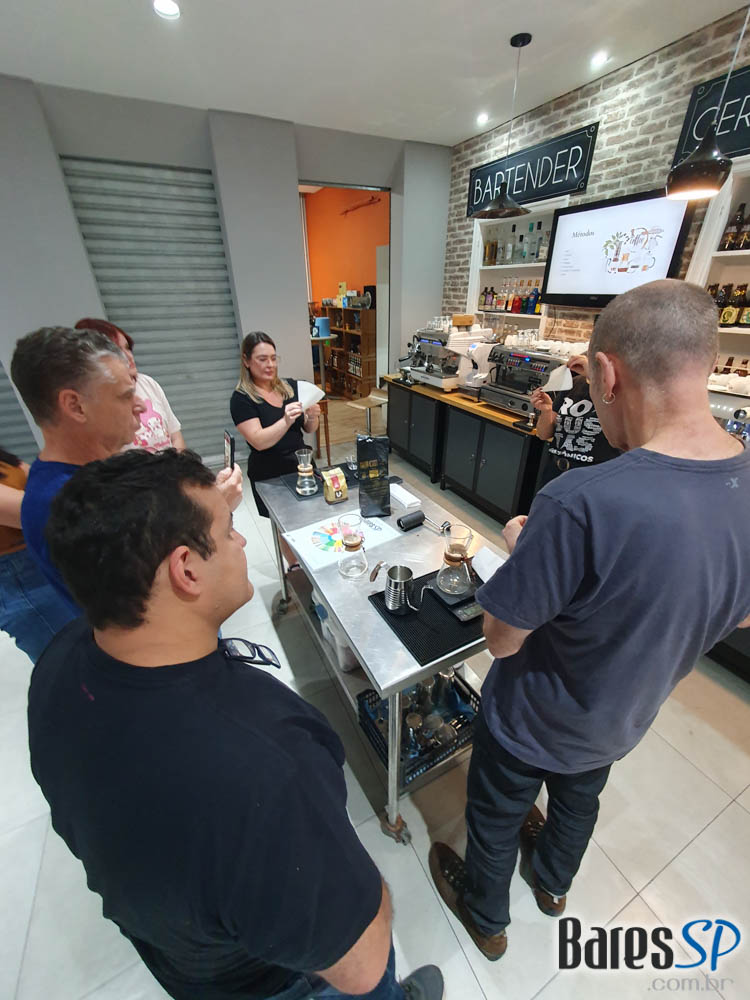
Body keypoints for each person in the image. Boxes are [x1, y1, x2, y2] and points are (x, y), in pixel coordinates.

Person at [28, 448, 443, 1000]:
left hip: (183, 959)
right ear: (186, 569)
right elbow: (360, 964)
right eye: (228, 531)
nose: (242, 540)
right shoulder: (265, 761)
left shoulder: (58, 663)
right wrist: (376, 905)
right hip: (277, 978)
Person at [428, 279, 750, 962]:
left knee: (496, 813)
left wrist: (527, 555)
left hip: (532, 721)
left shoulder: (580, 501)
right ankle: (552, 887)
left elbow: (501, 638)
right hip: (621, 722)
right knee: (577, 804)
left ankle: (486, 917)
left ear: (606, 373)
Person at [10, 327, 242, 613]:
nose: (141, 405)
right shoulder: (66, 505)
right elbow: (154, 593)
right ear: (75, 406)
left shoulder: (105, 471)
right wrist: (212, 511)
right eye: (125, 395)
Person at [230, 331, 321, 520]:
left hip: (302, 467)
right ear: (246, 361)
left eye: (273, 358)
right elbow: (258, 441)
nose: (270, 364)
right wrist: (285, 420)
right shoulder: (241, 399)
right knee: (285, 525)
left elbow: (308, 428)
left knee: (313, 517)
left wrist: (312, 417)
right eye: (262, 359)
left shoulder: (290, 387)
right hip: (270, 475)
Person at [0, 446, 75, 660]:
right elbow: (34, 511)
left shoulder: (5, 460)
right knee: (69, 659)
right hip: (19, 580)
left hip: (50, 559)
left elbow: (39, 479)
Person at [75, 317, 186, 453]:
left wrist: (177, 463)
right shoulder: (95, 399)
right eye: (117, 351)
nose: (128, 356)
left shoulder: (147, 383)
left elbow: (175, 436)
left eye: (127, 348)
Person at [531, 353, 620, 489]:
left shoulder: (617, 392)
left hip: (592, 479)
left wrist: (594, 377)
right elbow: (543, 434)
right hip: (556, 472)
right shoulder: (573, 384)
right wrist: (546, 410)